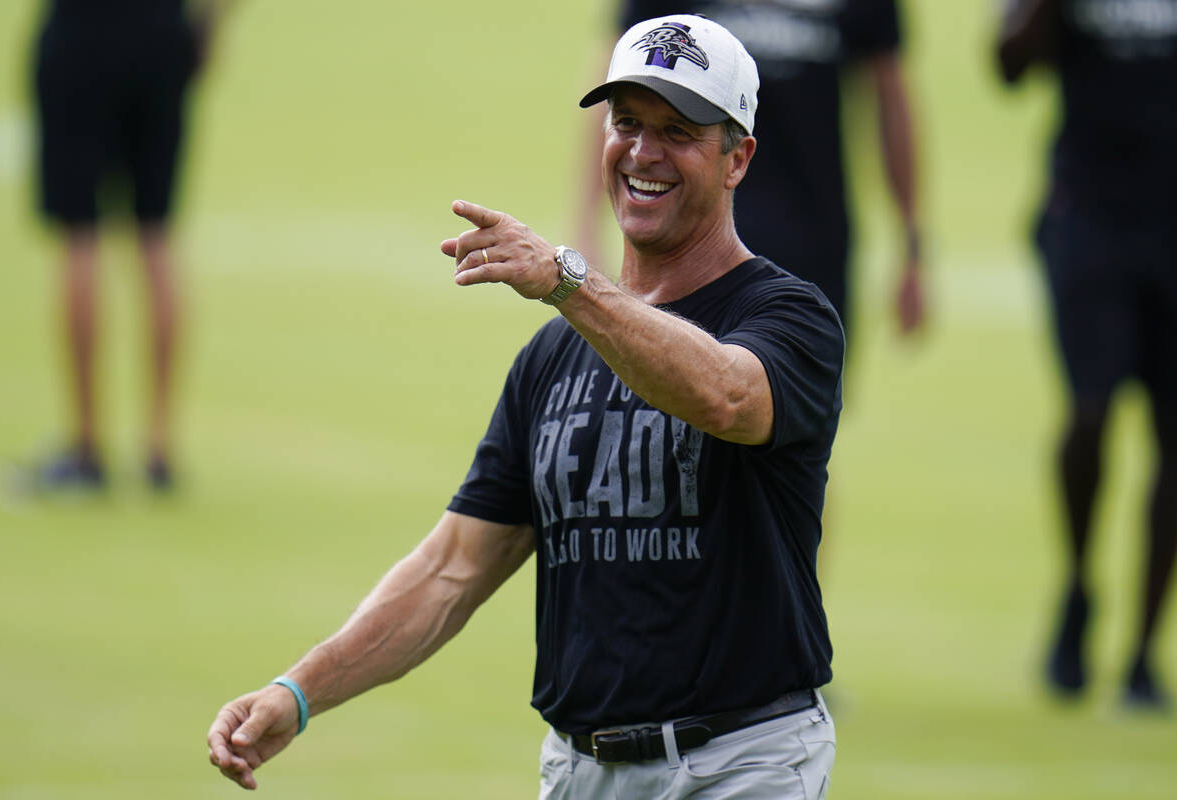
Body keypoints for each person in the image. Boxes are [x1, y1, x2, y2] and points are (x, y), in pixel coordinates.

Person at [208, 15, 844, 797]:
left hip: (741, 763)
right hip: (581, 772)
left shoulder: (788, 318)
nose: (643, 152)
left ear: (736, 157)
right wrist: (298, 692)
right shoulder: (552, 358)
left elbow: (725, 393)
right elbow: (450, 570)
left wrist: (566, 282)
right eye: (627, 123)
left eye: (677, 131)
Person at [998, 0, 1177, 709]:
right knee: (1091, 410)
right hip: (1091, 215)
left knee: (1172, 431)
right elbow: (1011, 65)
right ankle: (1079, 587)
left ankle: (1143, 651)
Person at [579, 0, 926, 336]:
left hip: (814, 238)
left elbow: (890, 98)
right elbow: (622, 88)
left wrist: (910, 243)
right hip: (684, 239)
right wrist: (587, 226)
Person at [27, 0, 228, 491]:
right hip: (162, 35)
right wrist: (206, 26)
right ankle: (159, 448)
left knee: (80, 236)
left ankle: (86, 446)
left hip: (79, 34)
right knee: (156, 234)